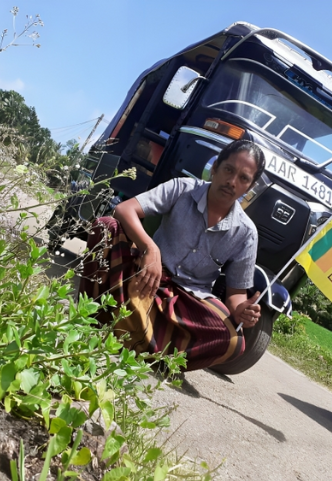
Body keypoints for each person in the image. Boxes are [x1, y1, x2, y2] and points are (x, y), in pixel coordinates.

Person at [79, 139, 265, 371]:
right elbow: (123, 209)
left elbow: (235, 294)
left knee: (233, 342)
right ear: (215, 167)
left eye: (243, 178)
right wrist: (150, 248)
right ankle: (92, 318)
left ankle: (146, 349)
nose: (232, 181)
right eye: (228, 170)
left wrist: (241, 310)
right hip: (144, 276)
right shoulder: (183, 188)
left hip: (185, 302)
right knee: (106, 227)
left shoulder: (246, 233)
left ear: (250, 186)